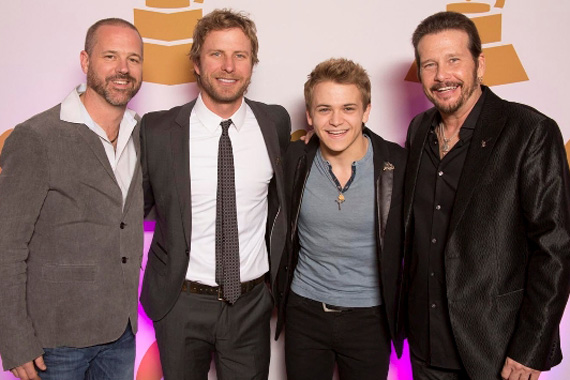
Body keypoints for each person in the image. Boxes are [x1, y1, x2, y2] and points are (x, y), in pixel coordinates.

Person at [403, 11, 570, 380]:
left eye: (453, 60)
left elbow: (554, 248)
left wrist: (530, 348)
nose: (441, 75)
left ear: (480, 64)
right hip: (425, 347)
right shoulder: (418, 130)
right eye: (429, 64)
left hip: (495, 349)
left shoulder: (529, 131)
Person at [139, 9, 290, 380]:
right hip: (180, 303)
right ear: (195, 62)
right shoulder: (158, 129)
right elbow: (135, 209)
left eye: (240, 55)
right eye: (216, 54)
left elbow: (279, 208)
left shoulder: (275, 123)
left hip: (251, 306)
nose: (228, 66)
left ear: (253, 65)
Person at [0, 18, 144, 380]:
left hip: (121, 334)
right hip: (55, 341)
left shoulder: (144, 134)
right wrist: (15, 340)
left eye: (133, 59)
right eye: (110, 56)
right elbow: (7, 245)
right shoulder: (37, 137)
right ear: (85, 61)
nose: (123, 69)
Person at [275, 58, 406, 380]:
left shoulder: (399, 164)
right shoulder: (294, 159)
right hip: (304, 313)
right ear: (309, 115)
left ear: (366, 111)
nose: (335, 121)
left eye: (348, 108)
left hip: (370, 319)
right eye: (324, 110)